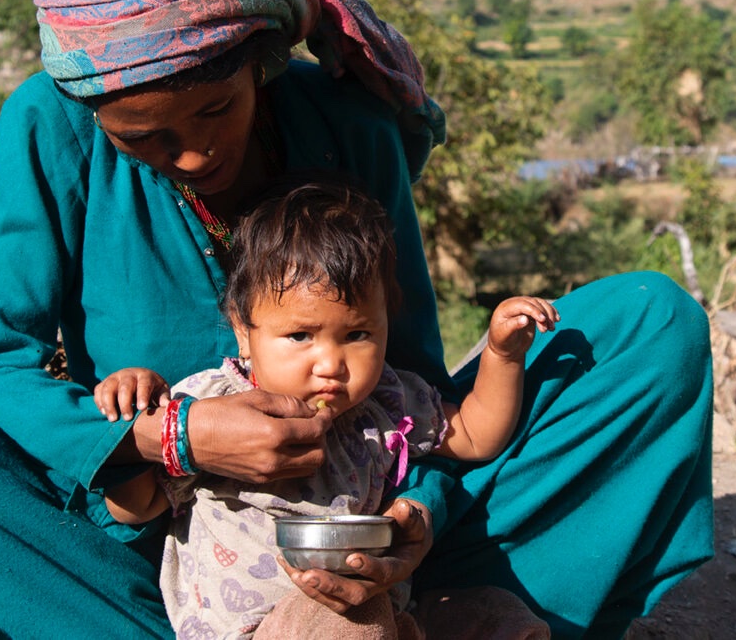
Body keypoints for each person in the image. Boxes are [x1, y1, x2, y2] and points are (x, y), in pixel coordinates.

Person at [0, 0, 712, 639]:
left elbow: (413, 382)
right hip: (146, 547)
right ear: (88, 108)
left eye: (212, 110)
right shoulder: (46, 123)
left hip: (359, 531)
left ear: (256, 58)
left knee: (646, 325)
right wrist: (168, 438)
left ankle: (406, 606)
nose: (190, 155)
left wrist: (414, 517)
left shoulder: (350, 126)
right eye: (143, 138)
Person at [94, 177, 559, 639]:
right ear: (243, 331)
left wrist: (503, 355)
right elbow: (135, 509)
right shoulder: (212, 405)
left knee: (498, 616)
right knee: (345, 626)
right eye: (300, 336)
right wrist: (139, 417)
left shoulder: (386, 403)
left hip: (385, 618)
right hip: (258, 631)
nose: (332, 364)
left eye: (358, 335)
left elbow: (478, 435)